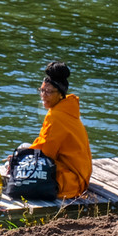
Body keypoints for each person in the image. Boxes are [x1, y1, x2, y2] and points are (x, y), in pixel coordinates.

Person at [29, 61, 93, 199]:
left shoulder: (56, 116)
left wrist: (24, 156)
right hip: (82, 175)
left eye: (49, 91)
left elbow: (46, 152)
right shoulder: (67, 109)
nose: (43, 95)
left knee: (22, 162)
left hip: (71, 180)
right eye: (42, 90)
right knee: (24, 151)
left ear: (60, 94)